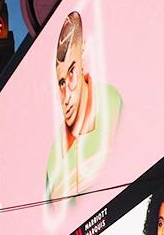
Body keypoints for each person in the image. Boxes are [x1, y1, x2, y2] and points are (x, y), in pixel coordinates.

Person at [44, 11, 122, 203]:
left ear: (82, 59)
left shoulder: (109, 100)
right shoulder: (54, 155)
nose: (67, 94)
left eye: (72, 72)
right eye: (61, 82)